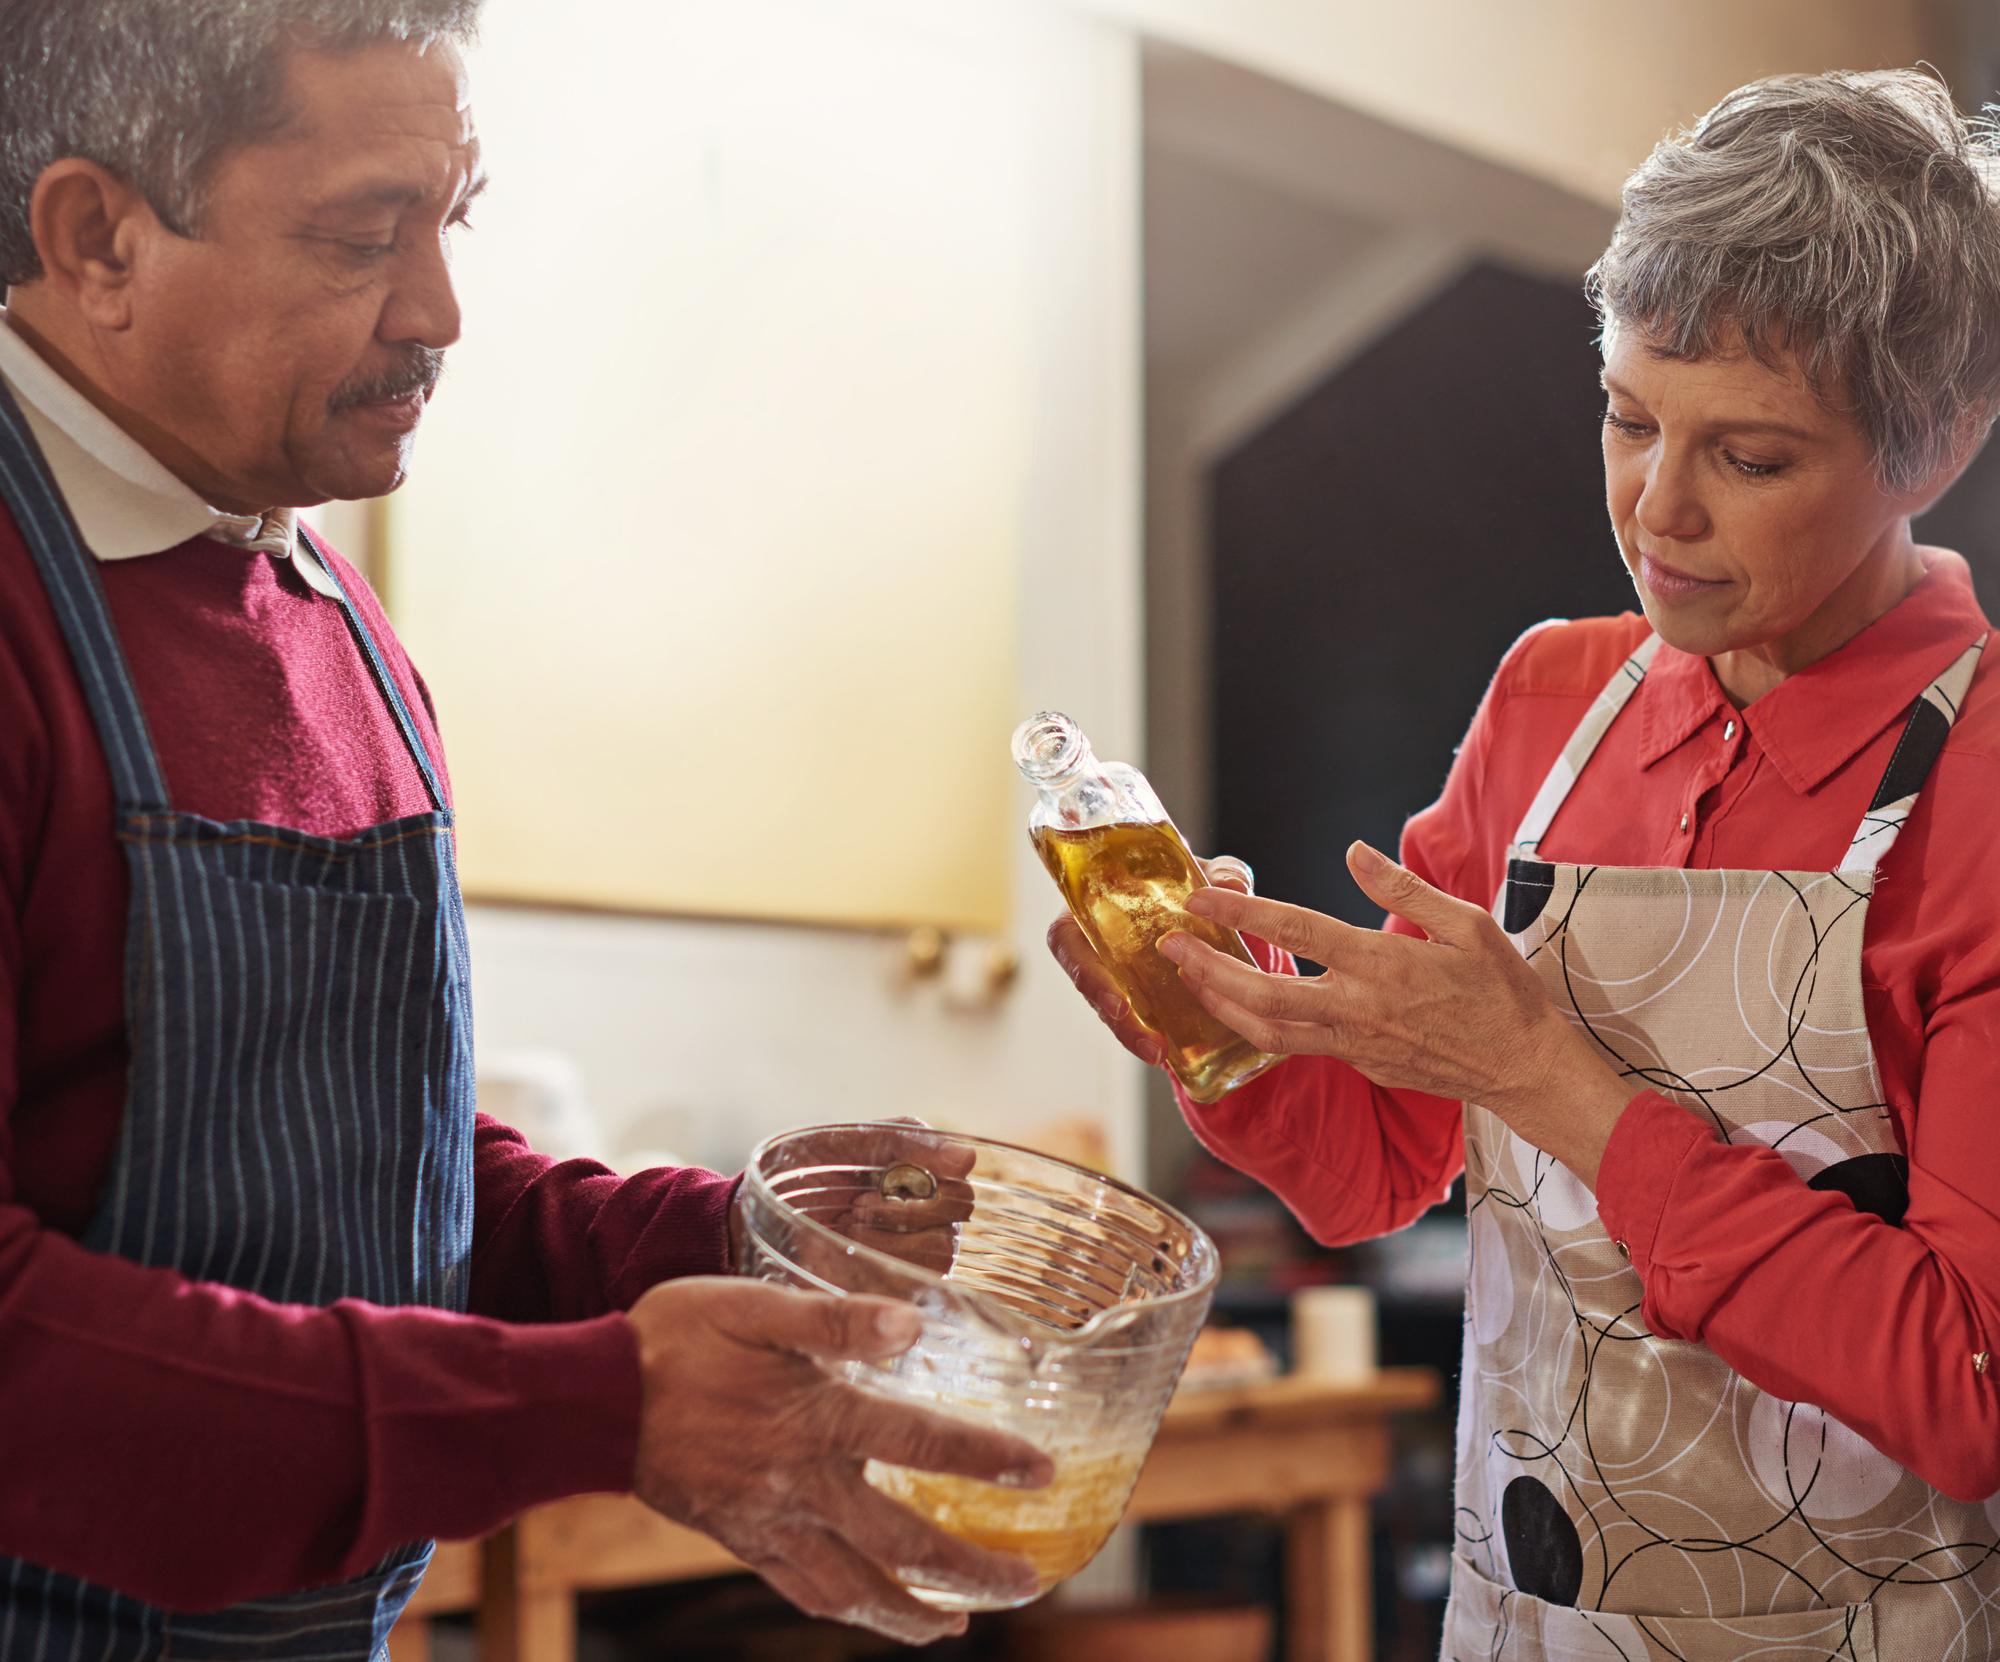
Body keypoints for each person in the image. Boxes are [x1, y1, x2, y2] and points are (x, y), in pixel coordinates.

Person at [0, 2, 1047, 1655]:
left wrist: (727, 1235)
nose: (441, 310)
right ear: (98, 237)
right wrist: (597, 1406)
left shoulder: (336, 620)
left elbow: (378, 1184)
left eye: (452, 219)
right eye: (365, 235)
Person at [1054, 68, 2000, 1660]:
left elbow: (1968, 1386)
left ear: (1938, 441)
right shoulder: (1552, 700)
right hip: (1520, 1620)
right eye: (1631, 417)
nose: (1659, 509)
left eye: (1752, 457)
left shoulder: (1979, 782)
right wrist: (1213, 1018)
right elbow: (1376, 1169)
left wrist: (1559, 1086)